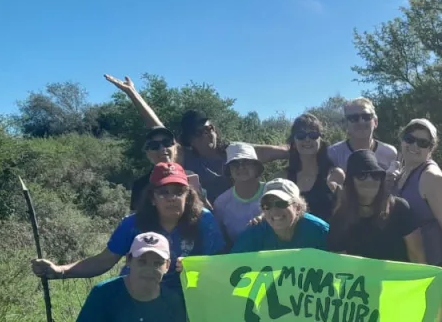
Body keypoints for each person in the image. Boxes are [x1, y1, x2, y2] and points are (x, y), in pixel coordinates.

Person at [30, 163, 226, 291]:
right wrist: (60, 270)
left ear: (188, 195)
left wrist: (198, 265)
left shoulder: (204, 220)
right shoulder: (132, 223)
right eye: (163, 192)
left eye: (178, 192)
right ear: (152, 198)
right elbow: (104, 260)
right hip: (136, 290)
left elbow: (220, 262)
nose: (171, 198)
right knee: (103, 292)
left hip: (185, 294)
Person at [104, 74, 290, 205]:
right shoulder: (188, 158)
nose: (207, 134)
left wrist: (308, 143)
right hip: (208, 222)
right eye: (199, 132)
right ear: (188, 139)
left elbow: (283, 150)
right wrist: (132, 93)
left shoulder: (236, 152)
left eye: (209, 128)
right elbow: (158, 127)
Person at [326, 150, 424, 263]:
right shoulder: (340, 218)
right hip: (361, 279)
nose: (369, 180)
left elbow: (418, 258)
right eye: (361, 175)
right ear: (350, 181)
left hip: (398, 279)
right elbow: (339, 263)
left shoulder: (399, 208)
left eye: (375, 175)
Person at [393, 118, 442, 279]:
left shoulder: (430, 177)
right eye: (410, 139)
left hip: (431, 270)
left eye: (423, 143)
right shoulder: (403, 171)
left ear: (431, 148)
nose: (415, 146)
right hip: (408, 268)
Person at [231, 178, 329, 252]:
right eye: (267, 205)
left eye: (281, 204)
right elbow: (233, 264)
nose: (274, 211)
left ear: (298, 207)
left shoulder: (320, 231)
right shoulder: (254, 233)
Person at [280, 114, 345, 222]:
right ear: (294, 142)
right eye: (301, 135)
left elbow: (343, 214)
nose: (307, 140)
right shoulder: (283, 178)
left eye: (313, 135)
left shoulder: (335, 175)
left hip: (327, 236)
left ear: (321, 140)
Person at [128, 125, 203, 212]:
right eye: (154, 146)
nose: (162, 149)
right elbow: (136, 218)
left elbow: (204, 212)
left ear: (175, 149)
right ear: (148, 153)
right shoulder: (140, 185)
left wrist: (197, 195)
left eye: (167, 143)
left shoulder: (190, 176)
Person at [326, 97, 399, 176]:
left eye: (366, 117)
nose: (361, 122)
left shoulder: (389, 153)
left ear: (375, 122)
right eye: (354, 118)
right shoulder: (333, 154)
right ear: (346, 124)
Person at [213, 142, 265, 244]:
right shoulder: (221, 203)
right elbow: (222, 240)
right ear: (229, 170)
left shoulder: (272, 190)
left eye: (246, 162)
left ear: (256, 167)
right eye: (235, 164)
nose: (241, 168)